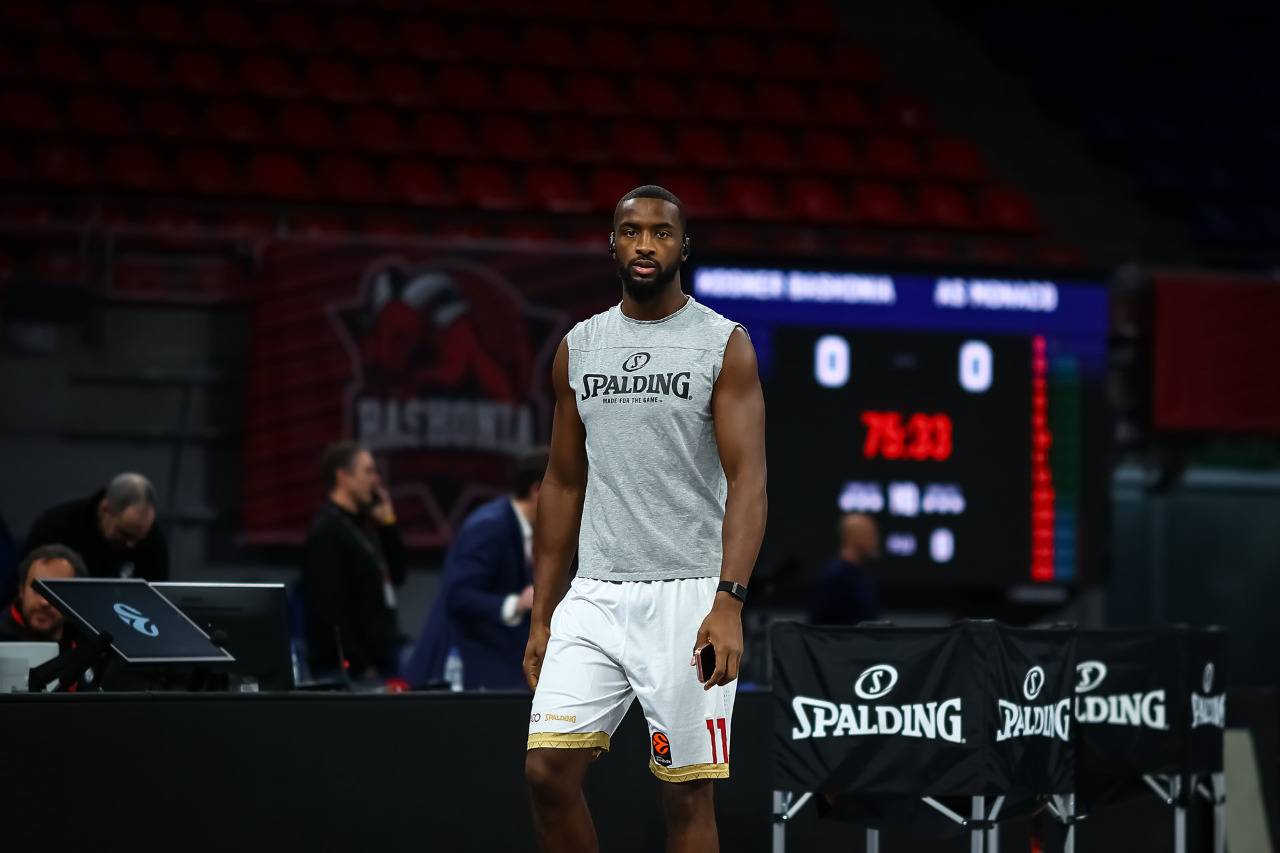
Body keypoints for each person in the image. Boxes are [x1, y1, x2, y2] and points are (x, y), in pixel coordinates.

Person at [523, 186, 767, 853]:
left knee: (686, 795)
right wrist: (543, 613)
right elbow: (562, 481)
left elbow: (749, 482)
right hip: (596, 592)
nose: (645, 244)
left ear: (683, 248)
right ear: (612, 245)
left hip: (690, 594)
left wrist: (729, 601)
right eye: (631, 231)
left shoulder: (723, 344)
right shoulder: (580, 346)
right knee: (546, 772)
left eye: (661, 233)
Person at [404, 448, 549, 690]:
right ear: (537, 489)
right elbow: (458, 596)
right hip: (459, 674)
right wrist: (517, 603)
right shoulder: (490, 526)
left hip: (494, 668)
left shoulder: (521, 528)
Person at [302, 441, 407, 681]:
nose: (376, 479)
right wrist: (360, 666)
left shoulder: (362, 527)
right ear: (343, 477)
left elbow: (398, 575)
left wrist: (387, 524)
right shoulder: (327, 532)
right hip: (346, 673)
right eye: (368, 471)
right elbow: (328, 609)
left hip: (378, 664)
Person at [22, 473, 169, 582]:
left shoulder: (153, 541)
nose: (131, 544)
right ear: (104, 510)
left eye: (139, 538)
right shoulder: (59, 526)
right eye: (125, 534)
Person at [0, 544, 88, 649]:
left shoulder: (89, 644)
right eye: (37, 589)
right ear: (21, 591)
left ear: (75, 599)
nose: (44, 602)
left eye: (55, 593)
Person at [809, 513, 883, 626]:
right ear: (853, 537)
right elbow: (817, 625)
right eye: (870, 534)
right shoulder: (835, 577)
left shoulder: (863, 574)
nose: (876, 539)